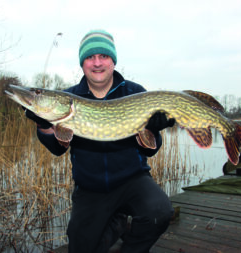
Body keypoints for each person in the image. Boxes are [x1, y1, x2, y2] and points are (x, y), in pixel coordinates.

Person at [25, 30, 175, 253]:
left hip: (132, 181)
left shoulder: (135, 93)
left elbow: (152, 150)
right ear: (82, 63)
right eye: (90, 57)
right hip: (90, 188)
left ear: (113, 60)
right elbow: (57, 148)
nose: (97, 63)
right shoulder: (69, 98)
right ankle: (115, 222)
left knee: (159, 212)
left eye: (103, 56)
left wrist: (152, 128)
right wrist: (44, 125)